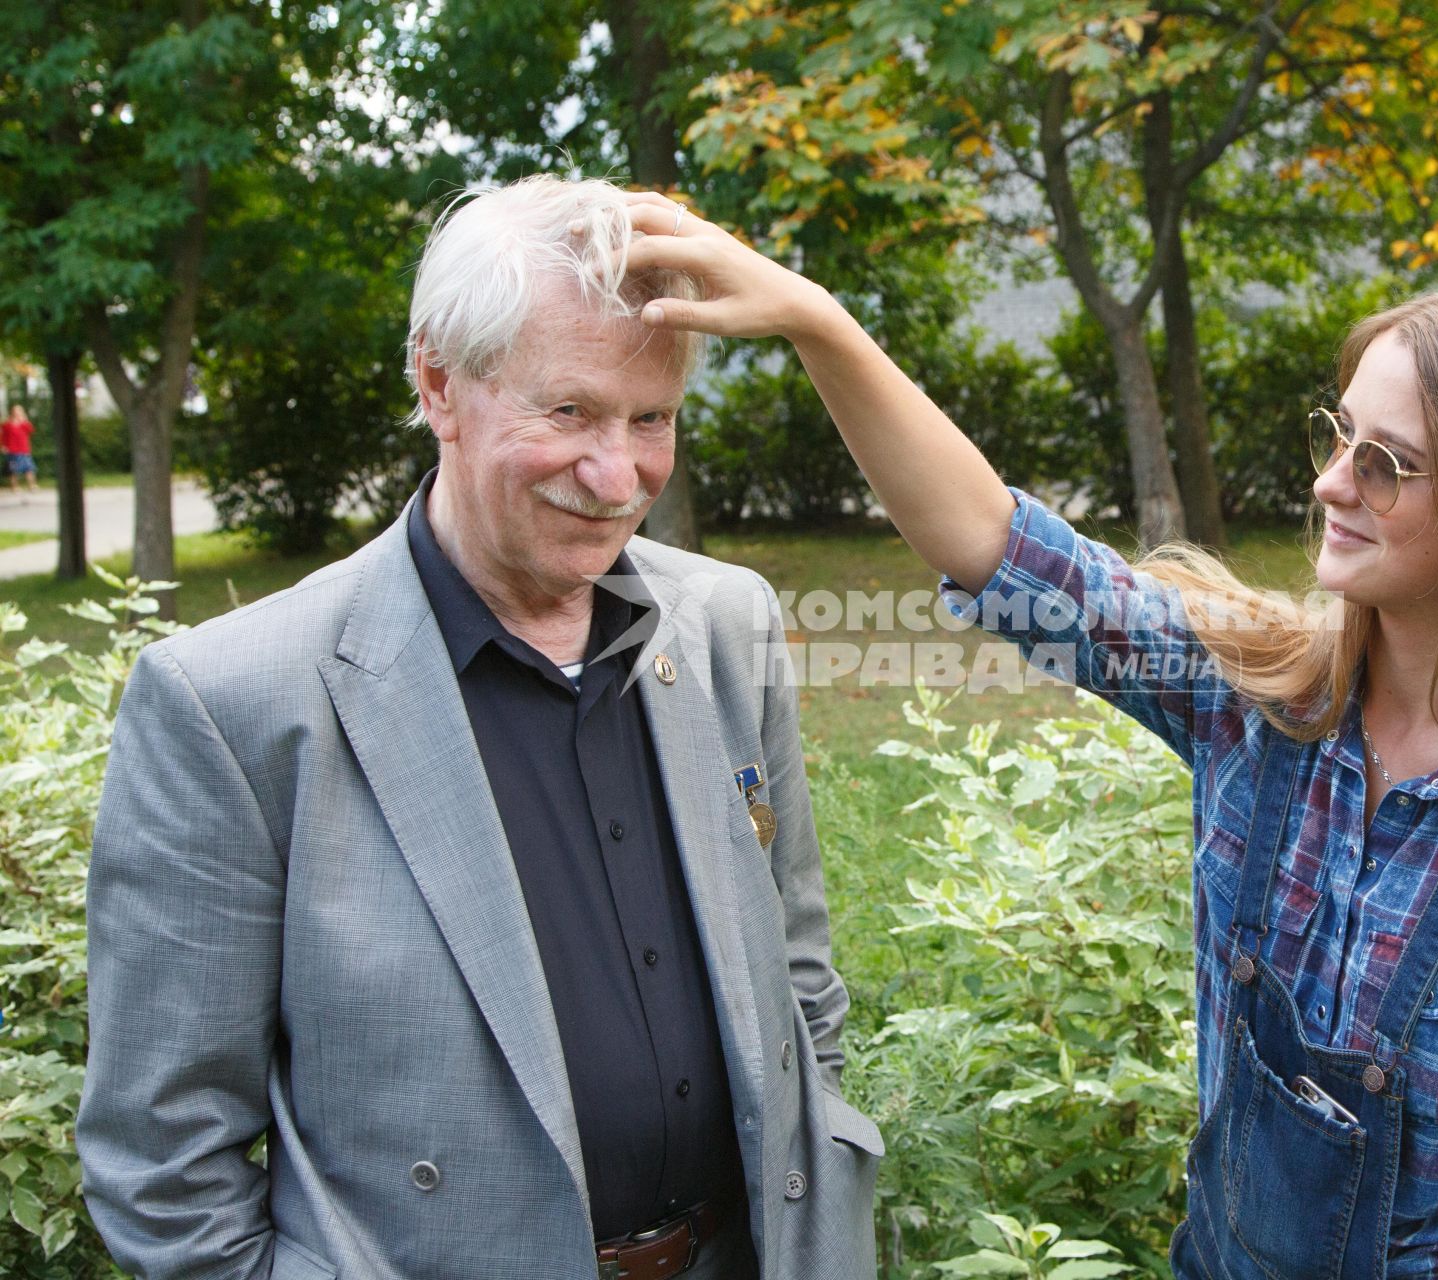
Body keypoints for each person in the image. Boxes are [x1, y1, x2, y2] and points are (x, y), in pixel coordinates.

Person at [620, 191, 1438, 1279]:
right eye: (1341, 433)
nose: (1330, 481)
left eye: (1385, 463)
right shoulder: (1265, 704)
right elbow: (1001, 553)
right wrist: (819, 322)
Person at [76, 176, 883, 1280]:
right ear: (438, 384)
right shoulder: (233, 704)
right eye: (569, 412)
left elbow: (798, 978)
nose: (618, 475)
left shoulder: (728, 622)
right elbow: (164, 1169)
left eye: (652, 418)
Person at [2, 403, 37, 498]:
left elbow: (31, 431)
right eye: (16, 411)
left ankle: (32, 486)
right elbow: (3, 436)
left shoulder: (24, 423)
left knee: (29, 468)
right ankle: (14, 487)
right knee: (13, 470)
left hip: (24, 449)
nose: (17, 413)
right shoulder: (7, 424)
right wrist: (3, 446)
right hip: (12, 450)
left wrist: (25, 421)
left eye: (19, 411)